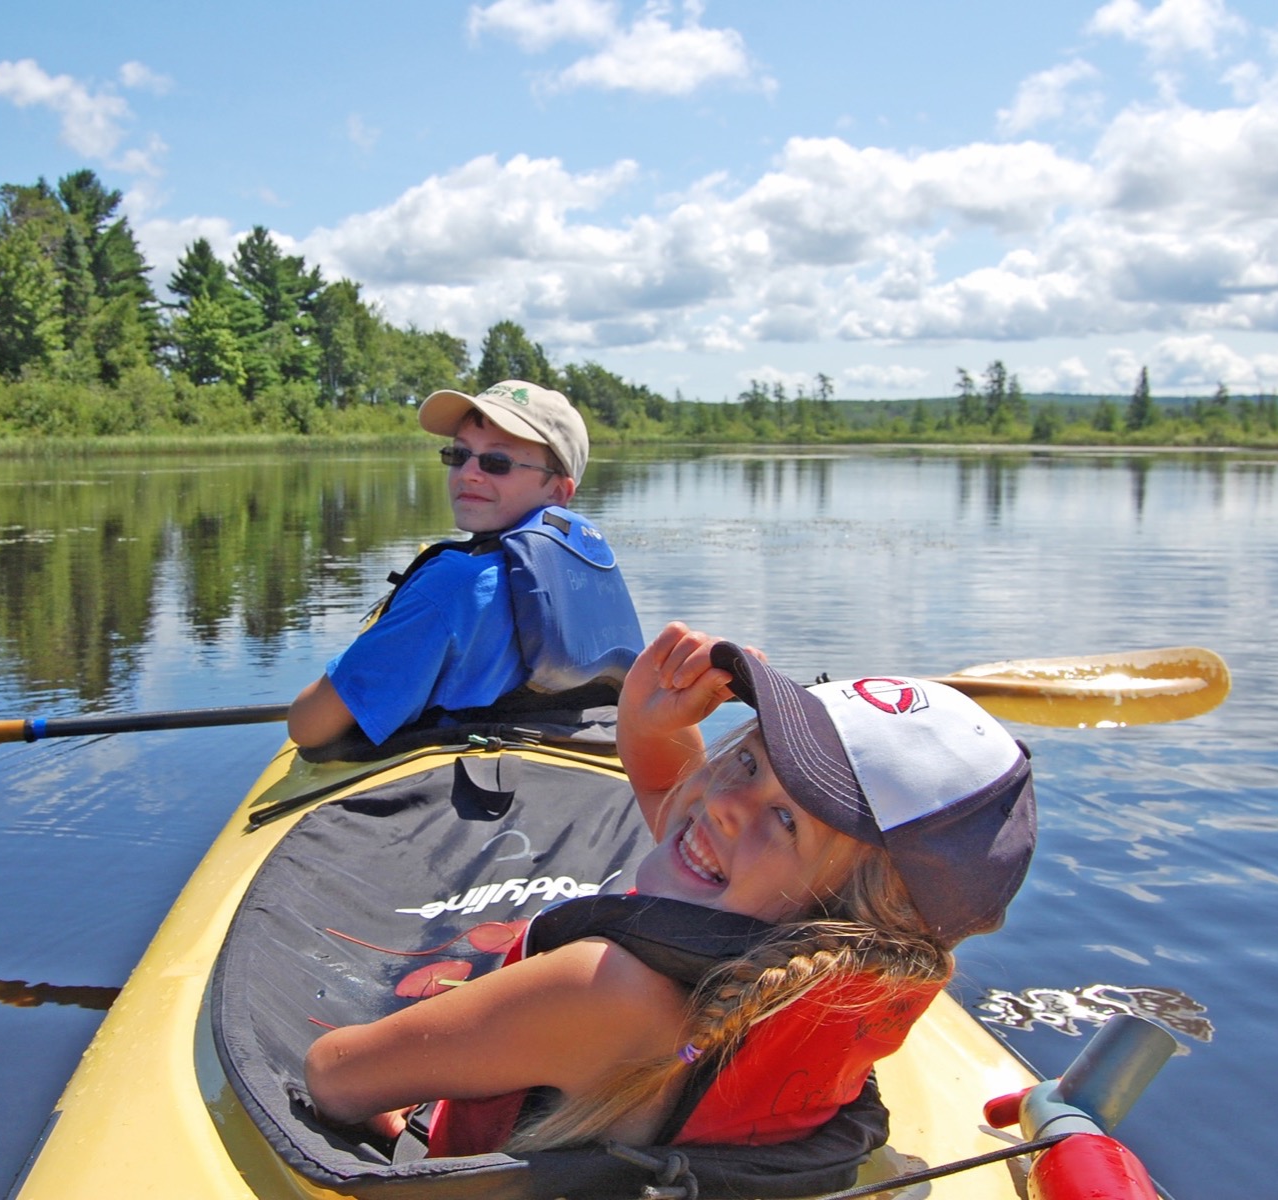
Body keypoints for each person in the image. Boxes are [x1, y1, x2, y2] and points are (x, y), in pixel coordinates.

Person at [303, 620, 1037, 1156]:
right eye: (747, 761)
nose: (723, 801)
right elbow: (677, 804)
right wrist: (646, 721)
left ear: (856, 907)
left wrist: (408, 1092)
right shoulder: (846, 974)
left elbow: (337, 1078)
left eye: (786, 818)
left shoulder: (604, 993)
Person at [288, 379, 637, 750]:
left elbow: (307, 727)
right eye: (458, 455)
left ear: (557, 491)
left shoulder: (450, 584)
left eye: (497, 462)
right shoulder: (584, 570)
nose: (469, 472)